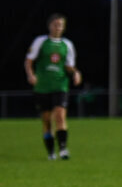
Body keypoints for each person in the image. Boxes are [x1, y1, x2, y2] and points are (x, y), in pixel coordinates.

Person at [24, 13, 82, 160]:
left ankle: (63, 149)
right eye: (55, 24)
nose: (58, 27)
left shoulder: (67, 44)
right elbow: (29, 61)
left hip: (60, 84)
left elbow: (69, 65)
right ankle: (51, 152)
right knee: (46, 120)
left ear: (64, 27)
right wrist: (31, 75)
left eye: (60, 25)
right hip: (42, 86)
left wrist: (75, 73)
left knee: (60, 115)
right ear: (49, 26)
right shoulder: (41, 41)